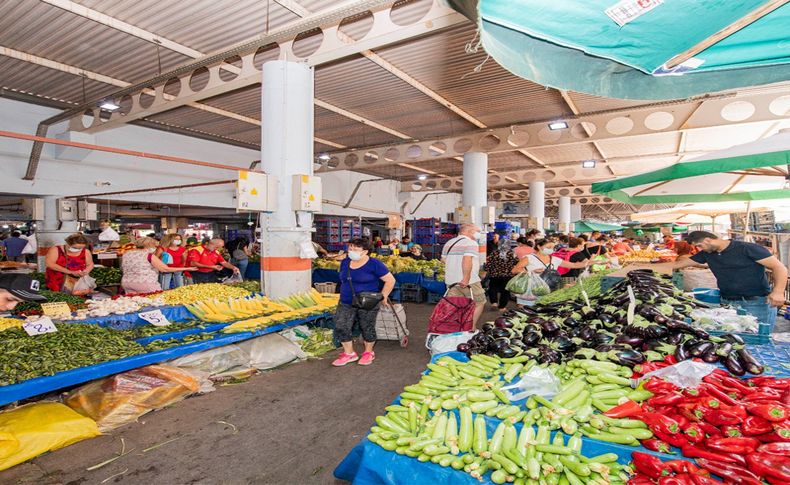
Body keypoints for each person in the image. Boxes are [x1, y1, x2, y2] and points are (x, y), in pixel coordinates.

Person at [675, 231, 787, 326]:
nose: (699, 249)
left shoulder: (747, 248)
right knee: (733, 336)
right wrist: (656, 268)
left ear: (708, 240)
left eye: (699, 245)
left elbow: (779, 267)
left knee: (757, 336)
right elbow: (676, 265)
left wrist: (778, 291)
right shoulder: (707, 253)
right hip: (727, 302)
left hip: (756, 302)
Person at [332, 238, 396, 367]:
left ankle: (368, 352)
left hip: (368, 302)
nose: (351, 251)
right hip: (346, 300)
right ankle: (349, 353)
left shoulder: (374, 264)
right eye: (350, 248)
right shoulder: (345, 262)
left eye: (355, 249)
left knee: (367, 327)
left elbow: (390, 280)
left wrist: (383, 296)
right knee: (341, 325)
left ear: (365, 251)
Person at [441, 223, 487, 328]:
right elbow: (467, 260)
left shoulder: (449, 242)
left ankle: (456, 327)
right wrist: (465, 278)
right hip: (469, 281)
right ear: (469, 231)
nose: (478, 234)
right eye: (477, 231)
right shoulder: (471, 243)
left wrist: (454, 267)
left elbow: (443, 260)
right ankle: (471, 327)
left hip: (451, 281)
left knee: (455, 305)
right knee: (479, 302)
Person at [122, 237, 196, 294]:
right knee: (155, 302)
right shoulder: (148, 255)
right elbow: (165, 269)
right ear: (149, 245)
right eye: (154, 246)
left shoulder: (127, 254)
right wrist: (187, 268)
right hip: (145, 283)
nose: (155, 248)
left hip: (127, 283)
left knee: (134, 304)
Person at [512, 239, 590, 291]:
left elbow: (573, 265)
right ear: (539, 246)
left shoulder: (554, 259)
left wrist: (592, 262)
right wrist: (531, 271)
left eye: (553, 247)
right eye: (548, 247)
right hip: (532, 288)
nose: (551, 249)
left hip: (550, 288)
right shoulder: (529, 258)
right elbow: (514, 270)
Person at [483, 247, 518, 312]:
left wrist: (485, 272)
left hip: (495, 274)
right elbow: (517, 263)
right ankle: (502, 307)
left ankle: (494, 303)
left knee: (493, 288)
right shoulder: (512, 253)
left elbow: (489, 264)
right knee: (505, 291)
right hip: (507, 275)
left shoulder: (494, 253)